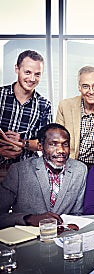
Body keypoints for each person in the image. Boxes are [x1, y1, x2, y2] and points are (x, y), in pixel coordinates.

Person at [0, 123, 87, 229]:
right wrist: (29, 218)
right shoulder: (19, 171)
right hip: (27, 239)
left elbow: (78, 214)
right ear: (40, 146)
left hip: (65, 238)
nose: (61, 150)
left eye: (65, 144)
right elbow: (1, 216)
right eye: (53, 144)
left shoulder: (80, 170)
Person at [0, 50, 52, 182]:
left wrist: (22, 143)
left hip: (27, 174)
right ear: (17, 69)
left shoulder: (44, 105)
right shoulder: (0, 96)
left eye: (37, 74)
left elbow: (45, 144)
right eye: (27, 72)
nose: (32, 79)